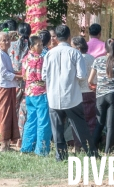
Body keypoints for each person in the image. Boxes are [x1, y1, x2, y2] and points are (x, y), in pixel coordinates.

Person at [43, 25, 97, 160]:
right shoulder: (75, 53)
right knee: (80, 127)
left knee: (57, 128)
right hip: (72, 96)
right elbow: (82, 75)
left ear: (56, 37)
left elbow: (43, 76)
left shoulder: (49, 54)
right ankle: (91, 152)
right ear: (69, 37)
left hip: (54, 97)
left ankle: (60, 155)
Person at [89, 38, 114, 154]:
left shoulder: (97, 61)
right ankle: (107, 151)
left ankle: (92, 148)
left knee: (99, 123)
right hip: (113, 95)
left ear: (105, 48)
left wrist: (98, 85)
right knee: (111, 125)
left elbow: (90, 80)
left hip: (100, 95)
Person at [21, 35, 52, 156]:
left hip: (29, 92)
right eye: (38, 45)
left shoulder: (25, 58)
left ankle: (27, 147)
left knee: (31, 120)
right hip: (40, 92)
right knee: (43, 121)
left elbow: (24, 76)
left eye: (41, 44)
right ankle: (41, 150)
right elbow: (41, 77)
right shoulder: (40, 59)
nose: (40, 47)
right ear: (31, 46)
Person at [0, 31, 22, 151]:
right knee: (3, 115)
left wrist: (19, 73)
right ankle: (2, 144)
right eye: (4, 40)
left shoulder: (5, 54)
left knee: (8, 114)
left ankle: (6, 143)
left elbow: (9, 71)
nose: (7, 42)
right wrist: (19, 77)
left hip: (8, 87)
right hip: (2, 87)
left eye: (8, 39)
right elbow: (4, 73)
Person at [10, 22, 31, 147]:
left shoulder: (11, 45)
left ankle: (11, 137)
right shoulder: (32, 46)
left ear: (18, 32)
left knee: (13, 109)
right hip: (28, 82)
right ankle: (20, 139)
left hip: (13, 82)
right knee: (24, 111)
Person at [71, 36, 96, 134]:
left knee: (78, 120)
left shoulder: (76, 58)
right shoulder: (92, 58)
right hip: (91, 91)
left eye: (72, 46)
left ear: (78, 48)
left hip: (79, 92)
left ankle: (78, 144)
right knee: (91, 119)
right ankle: (91, 141)